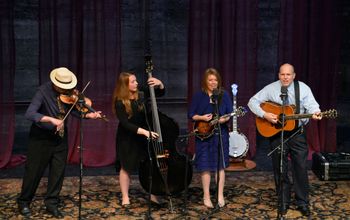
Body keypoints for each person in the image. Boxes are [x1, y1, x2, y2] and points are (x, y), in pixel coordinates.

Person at [16, 67, 103, 218]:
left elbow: (74, 110)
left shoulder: (68, 94)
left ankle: (51, 203)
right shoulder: (43, 92)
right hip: (40, 139)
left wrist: (89, 115)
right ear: (55, 84)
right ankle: (24, 202)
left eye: (69, 87)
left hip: (60, 138)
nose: (68, 90)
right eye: (64, 87)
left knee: (58, 173)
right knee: (34, 172)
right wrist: (50, 119)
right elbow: (30, 113)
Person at [248, 63, 322, 216]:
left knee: (300, 168)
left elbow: (313, 106)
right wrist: (265, 115)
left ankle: (302, 202)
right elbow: (252, 102)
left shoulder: (302, 88)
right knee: (280, 168)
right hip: (277, 134)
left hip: (297, 134)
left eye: (288, 74)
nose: (285, 77)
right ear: (278, 75)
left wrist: (316, 112)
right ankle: (283, 201)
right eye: (282, 74)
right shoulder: (271, 88)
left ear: (293, 75)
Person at [112, 71, 165, 206]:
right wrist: (144, 132)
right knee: (126, 167)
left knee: (149, 166)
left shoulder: (141, 93)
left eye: (136, 81)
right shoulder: (119, 101)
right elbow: (125, 123)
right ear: (125, 85)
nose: (137, 83)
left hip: (143, 136)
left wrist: (160, 84)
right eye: (133, 82)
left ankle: (153, 194)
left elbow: (159, 94)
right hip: (128, 138)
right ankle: (125, 197)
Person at [188, 68, 232, 208]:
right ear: (205, 81)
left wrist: (223, 120)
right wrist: (202, 117)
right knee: (205, 166)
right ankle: (206, 196)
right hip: (203, 135)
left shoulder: (224, 95)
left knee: (220, 166)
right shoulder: (198, 96)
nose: (213, 82)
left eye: (215, 80)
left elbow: (229, 114)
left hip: (221, 134)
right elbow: (191, 115)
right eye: (210, 80)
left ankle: (220, 195)